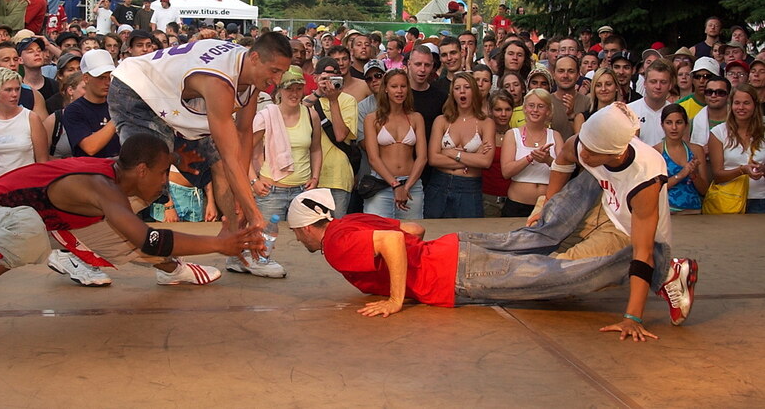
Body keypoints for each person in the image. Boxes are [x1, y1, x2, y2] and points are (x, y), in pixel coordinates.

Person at [288, 126, 699, 341]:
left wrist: (396, 298)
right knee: (538, 241)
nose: (299, 241)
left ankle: (663, 268)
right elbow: (412, 228)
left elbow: (395, 241)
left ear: (310, 227)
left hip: (453, 274)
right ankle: (644, 256)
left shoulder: (336, 243)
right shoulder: (350, 221)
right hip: (453, 250)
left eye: (297, 234)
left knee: (552, 276)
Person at [0, 133, 261, 347]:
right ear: (143, 169)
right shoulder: (101, 187)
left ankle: (170, 270)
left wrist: (176, 159)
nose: (167, 181)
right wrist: (218, 245)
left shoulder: (121, 176)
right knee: (30, 230)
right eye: (164, 172)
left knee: (132, 213)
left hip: (52, 221)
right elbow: (148, 239)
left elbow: (142, 221)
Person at [107, 34, 292, 275]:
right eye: (275, 71)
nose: (276, 80)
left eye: (282, 73)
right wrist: (254, 214)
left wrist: (243, 198)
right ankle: (78, 249)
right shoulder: (220, 82)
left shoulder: (250, 73)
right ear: (255, 57)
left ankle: (239, 249)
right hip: (136, 90)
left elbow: (244, 134)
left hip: (169, 99)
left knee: (217, 163)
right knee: (146, 177)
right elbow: (231, 156)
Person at [250, 65, 322, 221]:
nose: (294, 94)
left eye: (298, 88)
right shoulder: (266, 116)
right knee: (267, 241)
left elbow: (316, 149)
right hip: (271, 192)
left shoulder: (311, 115)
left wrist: (315, 177)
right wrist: (254, 181)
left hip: (303, 190)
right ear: (280, 90)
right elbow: (244, 151)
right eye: (289, 89)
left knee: (302, 243)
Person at [425, 72, 494, 218]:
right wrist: (472, 158)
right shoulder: (441, 121)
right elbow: (433, 159)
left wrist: (450, 153)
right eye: (457, 88)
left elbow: (486, 161)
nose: (462, 91)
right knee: (435, 234)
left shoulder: (486, 123)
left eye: (467, 87)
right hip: (439, 184)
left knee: (468, 236)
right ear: (452, 93)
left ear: (474, 91)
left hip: (469, 188)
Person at [362, 69, 427, 219]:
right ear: (385, 88)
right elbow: (373, 158)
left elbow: (422, 157)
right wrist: (396, 185)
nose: (399, 91)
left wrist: (406, 187)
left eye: (403, 86)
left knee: (412, 235)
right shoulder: (372, 119)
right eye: (394, 86)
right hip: (381, 184)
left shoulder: (416, 118)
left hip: (411, 184)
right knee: (378, 234)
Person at [304, 57, 358, 218]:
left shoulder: (348, 101)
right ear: (315, 78)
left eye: (333, 78)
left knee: (336, 230)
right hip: (310, 176)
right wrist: (319, 93)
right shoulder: (309, 101)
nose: (329, 83)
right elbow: (299, 113)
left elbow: (341, 135)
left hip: (338, 176)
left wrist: (334, 100)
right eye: (325, 78)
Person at [500, 88, 562, 217]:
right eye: (531, 105)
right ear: (525, 109)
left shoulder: (555, 136)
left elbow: (564, 171)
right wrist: (529, 158)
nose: (535, 110)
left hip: (547, 206)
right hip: (517, 204)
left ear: (548, 111)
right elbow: (506, 171)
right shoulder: (512, 134)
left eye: (541, 106)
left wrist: (548, 160)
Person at [0, 68, 48, 182]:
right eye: (8, 90)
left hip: (26, 185)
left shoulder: (31, 118)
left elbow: (42, 161)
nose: (14, 94)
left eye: (17, 89)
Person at [707, 83, 765, 214]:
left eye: (746, 103)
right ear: (731, 105)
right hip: (729, 200)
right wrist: (742, 170)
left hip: (760, 199)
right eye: (737, 103)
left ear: (755, 105)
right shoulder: (718, 133)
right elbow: (717, 175)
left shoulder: (763, 133)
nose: (741, 107)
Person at [655, 104, 708, 214]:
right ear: (662, 125)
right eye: (669, 123)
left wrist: (694, 175)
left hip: (694, 212)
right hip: (667, 213)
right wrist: (682, 174)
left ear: (685, 125)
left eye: (679, 122)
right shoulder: (656, 152)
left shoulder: (696, 150)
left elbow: (704, 191)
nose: (674, 128)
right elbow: (655, 189)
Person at [482, 90, 514, 217]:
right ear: (490, 110)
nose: (503, 114)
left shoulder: (518, 135)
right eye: (498, 109)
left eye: (507, 109)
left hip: (512, 198)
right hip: (486, 197)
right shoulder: (482, 135)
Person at [628, 59, 674, 146]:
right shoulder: (629, 111)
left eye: (663, 82)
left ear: (670, 85)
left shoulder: (676, 113)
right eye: (653, 82)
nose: (658, 86)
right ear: (645, 83)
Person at [573, 67, 620, 134]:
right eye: (598, 85)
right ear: (593, 89)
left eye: (608, 84)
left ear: (617, 87)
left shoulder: (626, 116)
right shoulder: (582, 118)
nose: (603, 89)